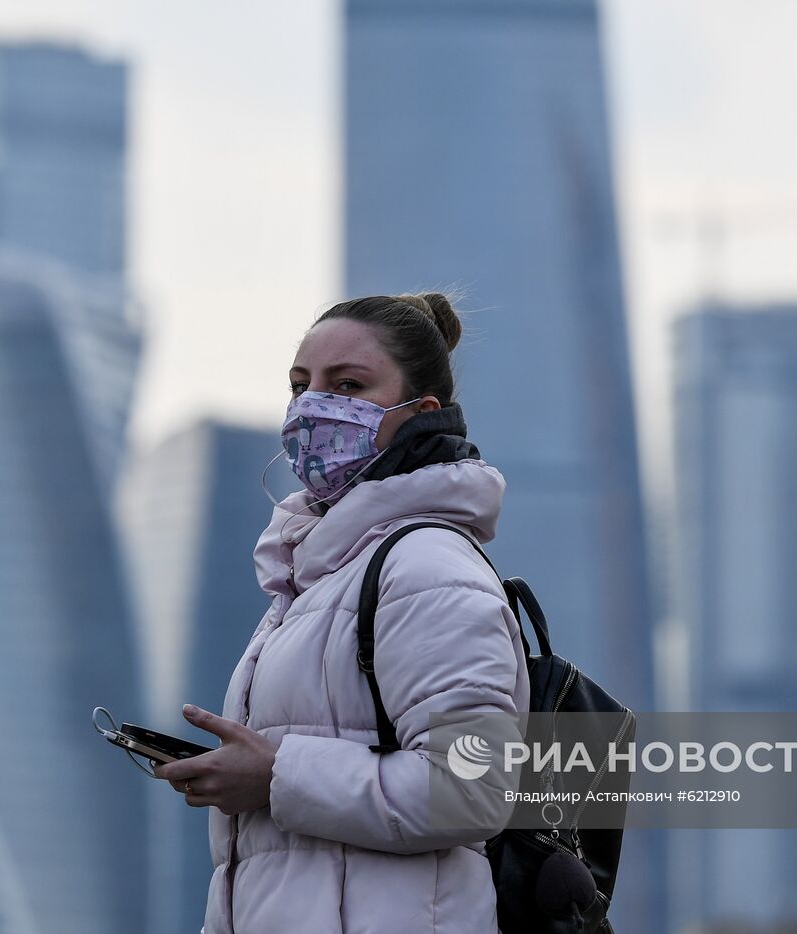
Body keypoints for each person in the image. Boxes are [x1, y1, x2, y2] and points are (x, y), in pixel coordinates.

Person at [154, 293, 531, 933]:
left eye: (348, 385)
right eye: (300, 387)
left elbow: (471, 788)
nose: (311, 409)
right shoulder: (315, 583)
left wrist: (275, 774)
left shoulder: (426, 567)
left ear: (422, 414)